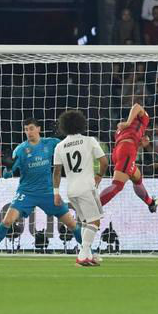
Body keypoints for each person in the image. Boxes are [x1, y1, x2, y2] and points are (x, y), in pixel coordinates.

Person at [0, 118, 84, 261]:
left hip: (48, 193)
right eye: (26, 129)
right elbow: (6, 176)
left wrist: (63, 137)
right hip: (26, 193)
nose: (29, 132)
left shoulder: (50, 143)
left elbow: (68, 147)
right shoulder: (20, 150)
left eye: (31, 128)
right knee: (7, 221)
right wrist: (8, 167)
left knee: (71, 223)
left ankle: (88, 251)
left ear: (38, 129)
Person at [52, 110, 109, 267]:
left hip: (71, 190)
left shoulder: (60, 146)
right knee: (95, 221)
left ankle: (88, 255)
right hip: (86, 187)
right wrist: (99, 176)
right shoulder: (89, 141)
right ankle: (83, 255)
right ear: (81, 124)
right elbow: (104, 162)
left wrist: (56, 193)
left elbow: (57, 171)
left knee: (85, 222)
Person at [98, 103, 158, 212]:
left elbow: (128, 138)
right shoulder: (143, 119)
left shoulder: (119, 131)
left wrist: (140, 144)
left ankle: (151, 203)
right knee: (117, 186)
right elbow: (137, 106)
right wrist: (128, 123)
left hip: (119, 152)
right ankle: (90, 210)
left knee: (137, 178)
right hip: (127, 150)